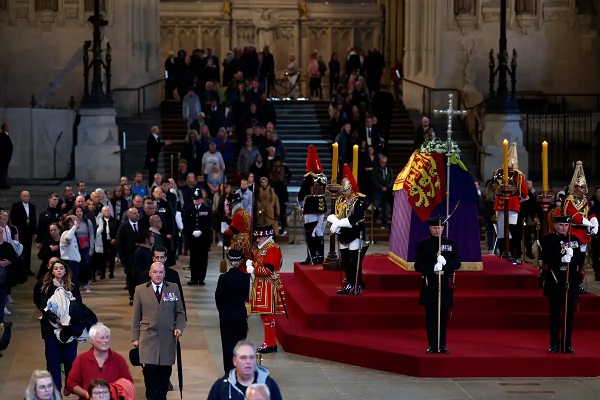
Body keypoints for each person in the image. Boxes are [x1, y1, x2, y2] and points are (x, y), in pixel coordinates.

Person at [131, 262, 185, 400]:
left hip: (167, 337)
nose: (158, 275)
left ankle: (162, 397)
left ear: (164, 273)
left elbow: (180, 312)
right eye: (155, 272)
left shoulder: (173, 288)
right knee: (150, 373)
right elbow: (136, 315)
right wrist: (135, 337)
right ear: (150, 273)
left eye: (161, 272)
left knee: (165, 373)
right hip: (148, 337)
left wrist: (179, 327)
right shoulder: (140, 290)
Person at [414, 216, 461, 354]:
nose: (437, 230)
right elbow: (418, 266)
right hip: (430, 284)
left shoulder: (450, 244)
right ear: (430, 229)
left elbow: (457, 264)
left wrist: (446, 263)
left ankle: (442, 344)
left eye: (439, 228)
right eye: (434, 228)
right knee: (431, 315)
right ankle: (432, 344)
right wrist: (432, 268)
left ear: (443, 228)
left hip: (445, 284)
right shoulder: (423, 245)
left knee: (443, 316)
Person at [539, 215, 585, 354]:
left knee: (568, 315)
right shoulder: (547, 240)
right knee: (554, 315)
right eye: (560, 225)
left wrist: (573, 257)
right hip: (555, 281)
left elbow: (580, 260)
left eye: (566, 225)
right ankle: (554, 344)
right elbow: (547, 257)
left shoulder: (574, 240)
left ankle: (567, 345)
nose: (563, 228)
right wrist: (562, 258)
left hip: (570, 281)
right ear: (555, 225)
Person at [35, 259, 81, 394]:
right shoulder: (46, 286)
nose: (59, 270)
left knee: (69, 359)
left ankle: (68, 383)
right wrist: (56, 319)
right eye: (56, 268)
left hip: (69, 328)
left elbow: (78, 304)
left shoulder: (71, 286)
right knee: (53, 360)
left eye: (61, 268)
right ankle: (56, 391)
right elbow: (44, 306)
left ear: (65, 271)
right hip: (51, 328)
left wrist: (70, 319)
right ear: (52, 271)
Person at [327, 164, 369, 295]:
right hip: (343, 233)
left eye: (346, 190)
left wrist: (339, 223)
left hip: (355, 232)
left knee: (354, 260)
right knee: (345, 260)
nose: (344, 192)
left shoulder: (359, 199)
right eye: (343, 190)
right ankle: (349, 283)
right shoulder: (340, 199)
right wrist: (334, 222)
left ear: (351, 189)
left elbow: (357, 217)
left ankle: (357, 284)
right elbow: (334, 212)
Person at [66, 323, 133, 400]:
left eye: (107, 337)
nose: (106, 340)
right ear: (92, 340)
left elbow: (128, 383)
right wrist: (88, 395)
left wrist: (112, 394)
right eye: (102, 338)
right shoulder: (81, 359)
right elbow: (71, 384)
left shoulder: (118, 359)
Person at [246, 225, 284, 354]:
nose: (258, 240)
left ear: (267, 236)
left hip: (268, 285)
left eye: (260, 237)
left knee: (268, 316)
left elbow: (269, 270)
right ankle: (269, 343)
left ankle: (270, 343)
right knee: (265, 316)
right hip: (262, 285)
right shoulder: (264, 248)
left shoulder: (272, 249)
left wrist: (253, 269)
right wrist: (252, 264)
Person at [207, 339, 283, 400]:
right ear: (234, 361)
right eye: (243, 358)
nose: (248, 361)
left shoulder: (269, 385)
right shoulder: (221, 387)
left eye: (251, 357)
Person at [215, 249, 251, 374]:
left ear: (229, 261)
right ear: (240, 261)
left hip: (227, 316)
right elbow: (246, 296)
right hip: (240, 315)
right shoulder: (245, 278)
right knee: (240, 345)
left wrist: (222, 311)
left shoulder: (223, 278)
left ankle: (229, 372)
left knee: (227, 345)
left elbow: (218, 298)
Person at [492, 142, 528, 258]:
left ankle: (505, 252)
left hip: (502, 205)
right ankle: (510, 253)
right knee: (509, 232)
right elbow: (524, 193)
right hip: (509, 205)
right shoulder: (516, 175)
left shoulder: (500, 172)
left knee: (504, 232)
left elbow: (494, 188)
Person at [297, 145, 327, 265]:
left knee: (310, 232)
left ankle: (312, 257)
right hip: (321, 206)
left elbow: (301, 194)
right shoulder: (323, 177)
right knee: (319, 231)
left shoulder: (308, 177)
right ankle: (320, 256)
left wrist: (300, 205)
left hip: (310, 206)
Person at [183, 188, 212, 285]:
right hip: (192, 238)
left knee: (203, 258)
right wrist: (192, 231)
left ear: (202, 199)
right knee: (193, 258)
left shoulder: (207, 209)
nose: (196, 200)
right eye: (195, 199)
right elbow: (186, 222)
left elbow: (209, 224)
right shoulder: (188, 209)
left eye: (198, 199)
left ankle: (201, 278)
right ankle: (194, 278)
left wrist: (201, 231)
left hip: (203, 239)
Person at [10, 190, 37, 276]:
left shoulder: (32, 207)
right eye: (24, 196)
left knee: (28, 251)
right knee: (20, 251)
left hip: (28, 233)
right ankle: (20, 270)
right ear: (21, 197)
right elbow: (13, 218)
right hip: (19, 232)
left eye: (27, 196)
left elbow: (34, 220)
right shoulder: (16, 206)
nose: (26, 197)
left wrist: (34, 232)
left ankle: (27, 269)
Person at [223, 193, 253, 262]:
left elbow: (232, 231)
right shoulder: (246, 213)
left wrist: (224, 230)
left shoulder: (237, 215)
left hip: (239, 243)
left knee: (238, 262)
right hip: (246, 241)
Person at [0, 123, 13, 189]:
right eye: (7, 126)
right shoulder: (3, 136)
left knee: (3, 171)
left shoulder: (4, 136)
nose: (9, 127)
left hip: (5, 158)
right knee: (3, 171)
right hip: (3, 158)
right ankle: (2, 184)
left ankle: (3, 183)